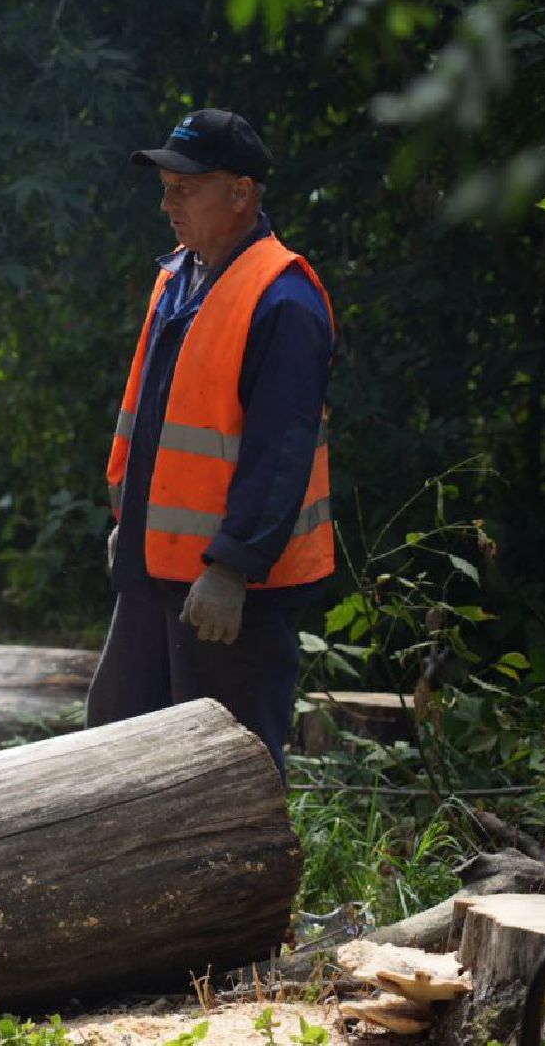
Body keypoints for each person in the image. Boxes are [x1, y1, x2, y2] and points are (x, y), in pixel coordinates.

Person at [89, 108, 335, 777]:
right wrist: (130, 520)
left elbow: (279, 451)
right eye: (165, 186)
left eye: (186, 187)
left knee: (229, 770)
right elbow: (155, 420)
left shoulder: (283, 301)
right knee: (116, 746)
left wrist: (231, 566)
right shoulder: (178, 278)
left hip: (229, 588)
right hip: (156, 569)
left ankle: (252, 886)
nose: (169, 203)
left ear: (239, 194)